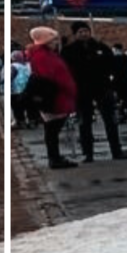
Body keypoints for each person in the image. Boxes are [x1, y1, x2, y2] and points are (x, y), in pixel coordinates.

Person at [61, 21, 127, 161]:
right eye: (80, 32)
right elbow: (66, 70)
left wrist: (113, 84)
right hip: (82, 89)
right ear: (75, 34)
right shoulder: (69, 51)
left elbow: (112, 66)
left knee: (110, 120)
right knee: (84, 122)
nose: (84, 34)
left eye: (86, 31)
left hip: (102, 87)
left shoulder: (101, 47)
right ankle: (88, 153)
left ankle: (116, 150)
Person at [23, 27, 78, 169]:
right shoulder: (43, 57)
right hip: (55, 96)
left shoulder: (44, 55)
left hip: (57, 95)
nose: (56, 43)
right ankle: (54, 158)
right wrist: (68, 88)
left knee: (52, 129)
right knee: (52, 129)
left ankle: (55, 157)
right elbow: (52, 76)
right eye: (53, 40)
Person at [8, 50, 37, 130]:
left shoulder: (13, 66)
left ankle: (21, 122)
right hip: (28, 90)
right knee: (29, 107)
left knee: (17, 108)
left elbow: (10, 77)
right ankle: (32, 121)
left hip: (17, 91)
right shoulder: (27, 66)